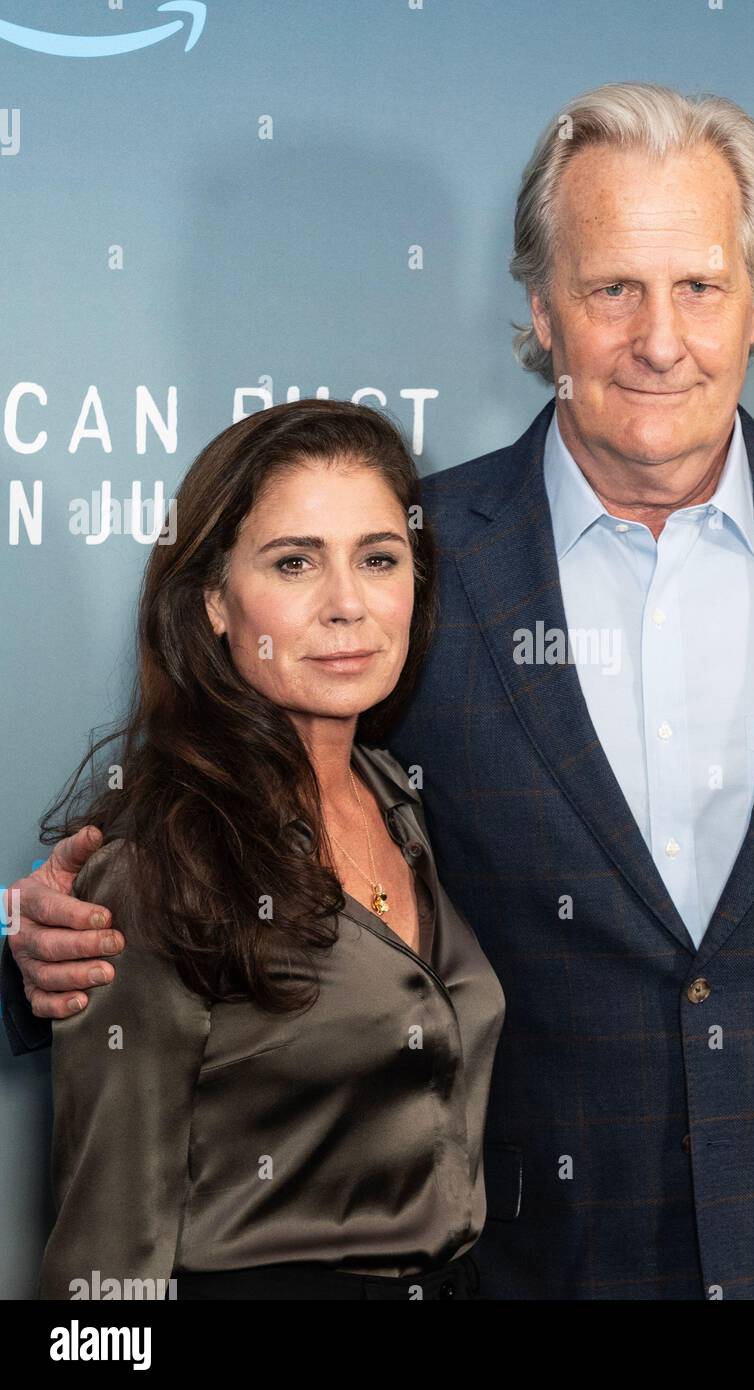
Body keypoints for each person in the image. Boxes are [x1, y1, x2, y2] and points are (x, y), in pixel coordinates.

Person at [4, 82, 754, 1300]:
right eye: (612, 287)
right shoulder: (412, 566)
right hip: (527, 1268)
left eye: (701, 287)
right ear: (540, 311)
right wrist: (42, 952)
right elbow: (228, 845)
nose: (659, 338)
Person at [23, 398, 504, 1300]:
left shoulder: (400, 802)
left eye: (378, 558)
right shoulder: (155, 870)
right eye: (294, 563)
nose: (348, 604)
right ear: (212, 599)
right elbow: (103, 1258)